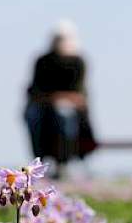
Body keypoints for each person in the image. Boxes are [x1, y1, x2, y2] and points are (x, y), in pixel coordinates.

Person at [24, 20, 96, 177]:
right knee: (32, 115)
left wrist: (58, 98)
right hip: (43, 107)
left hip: (71, 110)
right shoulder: (42, 61)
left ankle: (62, 163)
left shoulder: (78, 62)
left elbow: (79, 96)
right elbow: (34, 91)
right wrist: (53, 99)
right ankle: (38, 162)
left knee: (63, 113)